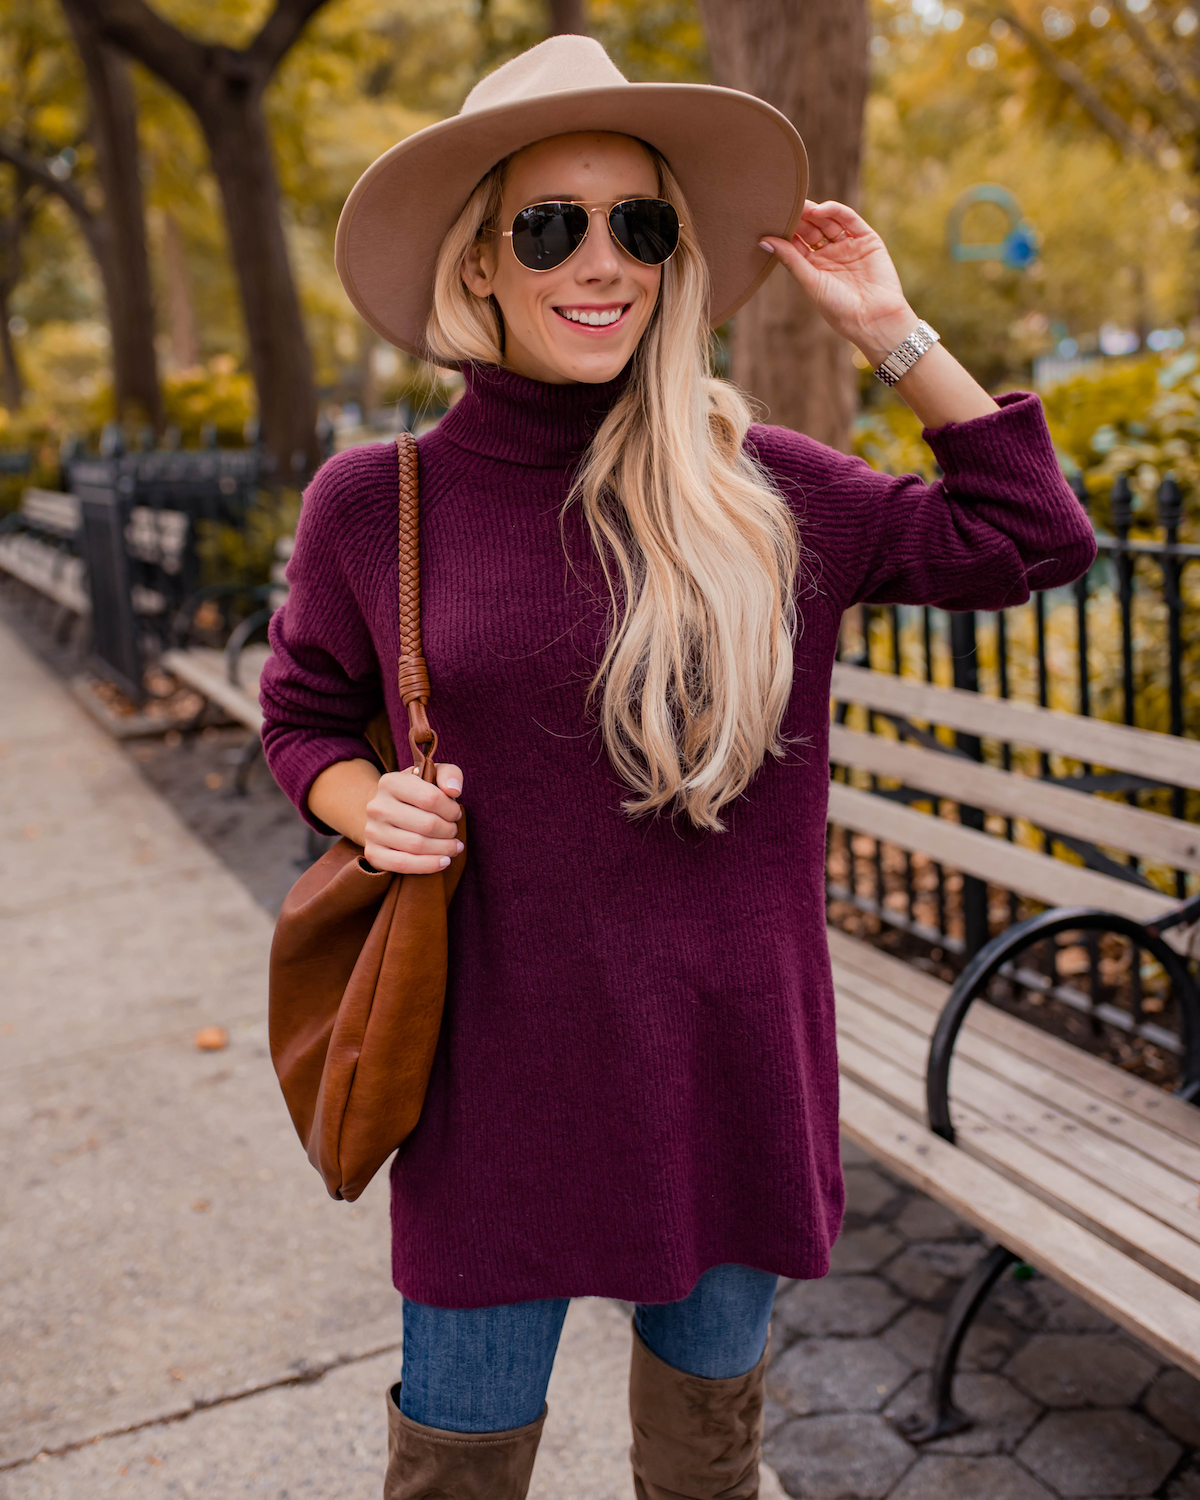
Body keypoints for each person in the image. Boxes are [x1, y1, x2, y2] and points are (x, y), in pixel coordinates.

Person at [259, 34, 1096, 1500]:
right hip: (490, 1087)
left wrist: (891, 328)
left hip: (725, 1071)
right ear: (478, 265)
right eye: (550, 226)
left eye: (641, 224)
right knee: (456, 1469)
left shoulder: (764, 492)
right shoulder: (374, 501)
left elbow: (1035, 539)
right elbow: (303, 712)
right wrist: (360, 799)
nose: (603, 263)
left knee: (706, 1470)